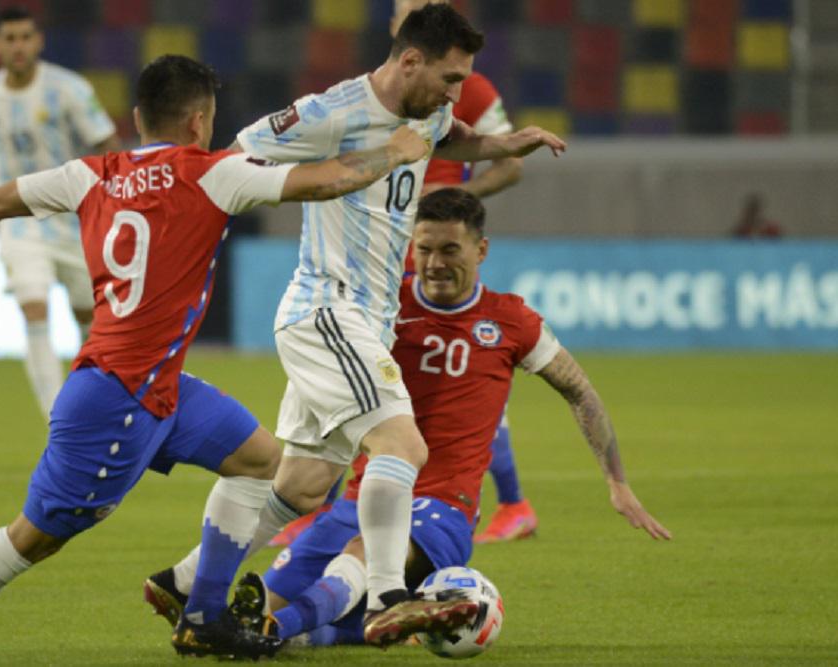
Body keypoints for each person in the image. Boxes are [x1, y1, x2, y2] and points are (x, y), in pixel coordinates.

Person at [0, 54, 431, 665]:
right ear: (200, 120)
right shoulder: (214, 173)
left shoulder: (90, 174)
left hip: (155, 383)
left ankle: (203, 618)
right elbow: (328, 179)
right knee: (35, 538)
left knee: (258, 460)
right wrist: (397, 152)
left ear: (138, 118)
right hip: (115, 399)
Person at [145, 3, 566, 647]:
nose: (457, 93)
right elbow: (231, 159)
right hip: (328, 310)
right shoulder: (329, 112)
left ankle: (183, 581)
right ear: (409, 61)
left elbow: (451, 137)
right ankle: (388, 596)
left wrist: (505, 143)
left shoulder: (428, 112)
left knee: (306, 485)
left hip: (363, 321)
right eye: (450, 79)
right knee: (403, 446)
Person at [229, 188, 674, 647]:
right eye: (424, 249)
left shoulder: (511, 321)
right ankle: (289, 631)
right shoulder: (382, 307)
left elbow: (580, 391)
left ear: (481, 250)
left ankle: (276, 631)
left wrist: (617, 482)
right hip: (364, 496)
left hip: (442, 507)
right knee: (271, 607)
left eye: (449, 250)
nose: (435, 263)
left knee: (360, 558)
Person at [268, 0, 531, 549]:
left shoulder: (467, 88)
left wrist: (455, 197)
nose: (453, 89)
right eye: (404, 8)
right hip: (380, 258)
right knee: (375, 384)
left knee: (455, 372)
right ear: (399, 33)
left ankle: (508, 501)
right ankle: (319, 507)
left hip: (435, 247)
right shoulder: (368, 98)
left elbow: (504, 162)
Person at [0, 6, 122, 419]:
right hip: (16, 223)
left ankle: (92, 403)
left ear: (38, 41)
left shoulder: (68, 89)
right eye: (10, 38)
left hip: (71, 219)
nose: (18, 46)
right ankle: (56, 416)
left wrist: (117, 201)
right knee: (33, 305)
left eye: (25, 37)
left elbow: (106, 140)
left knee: (88, 317)